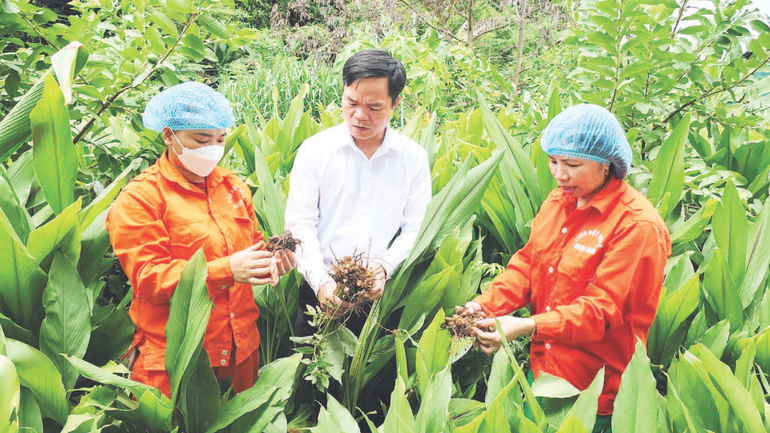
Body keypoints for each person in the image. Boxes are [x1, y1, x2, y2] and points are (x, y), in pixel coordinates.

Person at [463, 104, 671, 432]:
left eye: (573, 164)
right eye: (553, 161)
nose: (560, 174)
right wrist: (484, 306)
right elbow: (528, 265)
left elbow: (601, 311)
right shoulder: (559, 201)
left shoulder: (637, 226)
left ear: (607, 165)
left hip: (597, 393)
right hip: (544, 372)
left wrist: (528, 325)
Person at [106, 82, 296, 397]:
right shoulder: (142, 198)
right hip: (177, 359)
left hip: (242, 353)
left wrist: (273, 262)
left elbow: (254, 247)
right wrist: (226, 270)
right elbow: (148, 278)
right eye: (201, 139)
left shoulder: (234, 187)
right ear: (169, 135)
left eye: (220, 139)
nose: (213, 147)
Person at [285, 49, 432, 336]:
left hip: (383, 297)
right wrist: (322, 283)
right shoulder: (315, 151)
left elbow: (417, 227)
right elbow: (300, 224)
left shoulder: (413, 158)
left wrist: (385, 267)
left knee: (379, 381)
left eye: (374, 107)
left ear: (395, 103)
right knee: (312, 377)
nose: (359, 115)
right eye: (351, 102)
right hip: (320, 292)